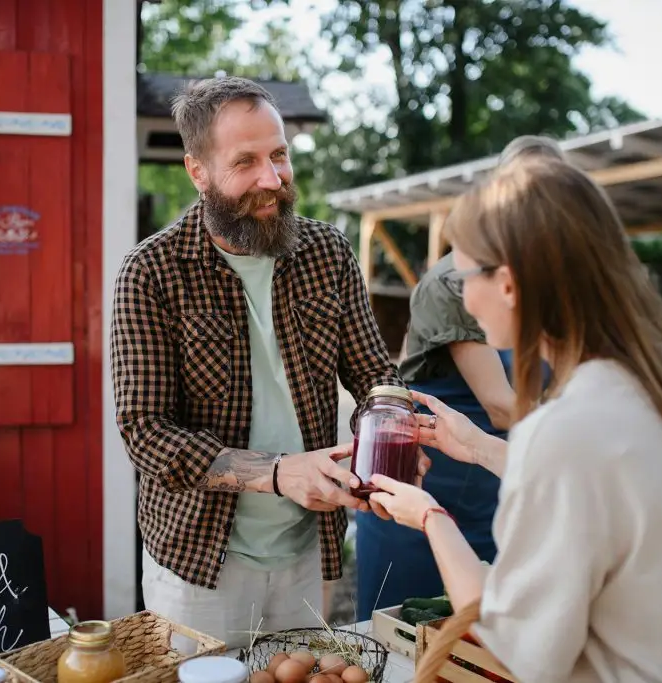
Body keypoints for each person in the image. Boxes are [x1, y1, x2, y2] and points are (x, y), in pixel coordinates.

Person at [368, 157, 662, 682]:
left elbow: (514, 650)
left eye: (463, 275)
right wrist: (478, 447)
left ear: (509, 284)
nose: (462, 294)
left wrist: (428, 515)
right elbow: (615, 492)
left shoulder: (566, 425)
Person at [108, 76, 412, 649]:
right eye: (245, 161)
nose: (272, 179)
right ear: (198, 171)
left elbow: (375, 375)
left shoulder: (327, 251)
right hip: (200, 562)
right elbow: (144, 433)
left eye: (278, 155)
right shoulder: (150, 272)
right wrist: (277, 473)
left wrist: (391, 440)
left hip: (307, 548)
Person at [355, 134, 564, 619]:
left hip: (500, 484)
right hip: (424, 489)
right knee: (404, 638)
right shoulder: (461, 279)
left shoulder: (548, 284)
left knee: (478, 644)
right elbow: (500, 404)